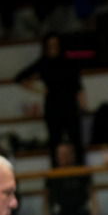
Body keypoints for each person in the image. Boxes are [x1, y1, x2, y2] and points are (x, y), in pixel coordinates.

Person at [14, 32, 86, 165]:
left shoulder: (68, 62)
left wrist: (83, 105)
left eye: (56, 45)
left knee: (76, 141)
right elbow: (19, 78)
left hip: (70, 105)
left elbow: (78, 86)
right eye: (50, 45)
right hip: (53, 106)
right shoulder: (43, 63)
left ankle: (82, 174)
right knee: (54, 141)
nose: (53, 48)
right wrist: (39, 89)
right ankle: (55, 178)